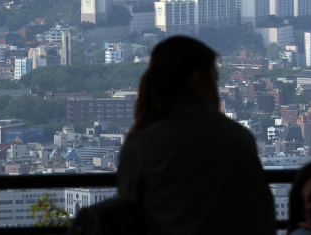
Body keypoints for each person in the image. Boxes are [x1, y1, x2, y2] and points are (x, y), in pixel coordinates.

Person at [117, 36, 276, 235]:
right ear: (198, 80)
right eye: (214, 80)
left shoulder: (142, 144)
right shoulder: (237, 137)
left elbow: (127, 215)